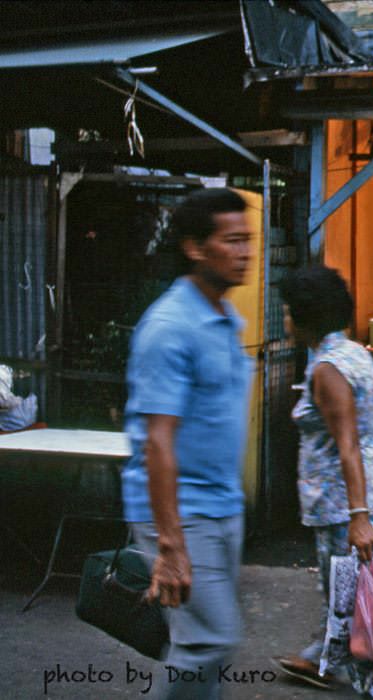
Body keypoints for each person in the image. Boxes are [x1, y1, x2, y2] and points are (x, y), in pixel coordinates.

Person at [121, 188, 253, 699]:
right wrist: (170, 543)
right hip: (183, 511)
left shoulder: (224, 318)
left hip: (222, 505)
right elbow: (157, 442)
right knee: (208, 642)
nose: (244, 252)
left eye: (248, 241)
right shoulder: (169, 327)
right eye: (232, 241)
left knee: (201, 648)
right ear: (195, 248)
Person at [271, 266, 373, 697]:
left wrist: (358, 517)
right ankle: (320, 658)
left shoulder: (327, 368)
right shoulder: (354, 353)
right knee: (351, 599)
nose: (286, 320)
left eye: (289, 313)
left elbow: (347, 445)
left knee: (356, 608)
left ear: (306, 317)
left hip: (344, 500)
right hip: (371, 487)